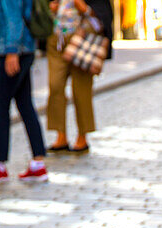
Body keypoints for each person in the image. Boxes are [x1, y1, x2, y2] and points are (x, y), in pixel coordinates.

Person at [0, 0, 49, 184]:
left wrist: (11, 52)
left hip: (15, 51)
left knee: (0, 106)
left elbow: (14, 18)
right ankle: (38, 164)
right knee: (25, 104)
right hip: (24, 48)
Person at [45, 0, 113, 155]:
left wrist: (84, 7)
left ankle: (82, 136)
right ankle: (60, 135)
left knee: (81, 90)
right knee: (55, 86)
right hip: (57, 39)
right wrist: (51, 8)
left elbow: (104, 13)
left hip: (82, 39)